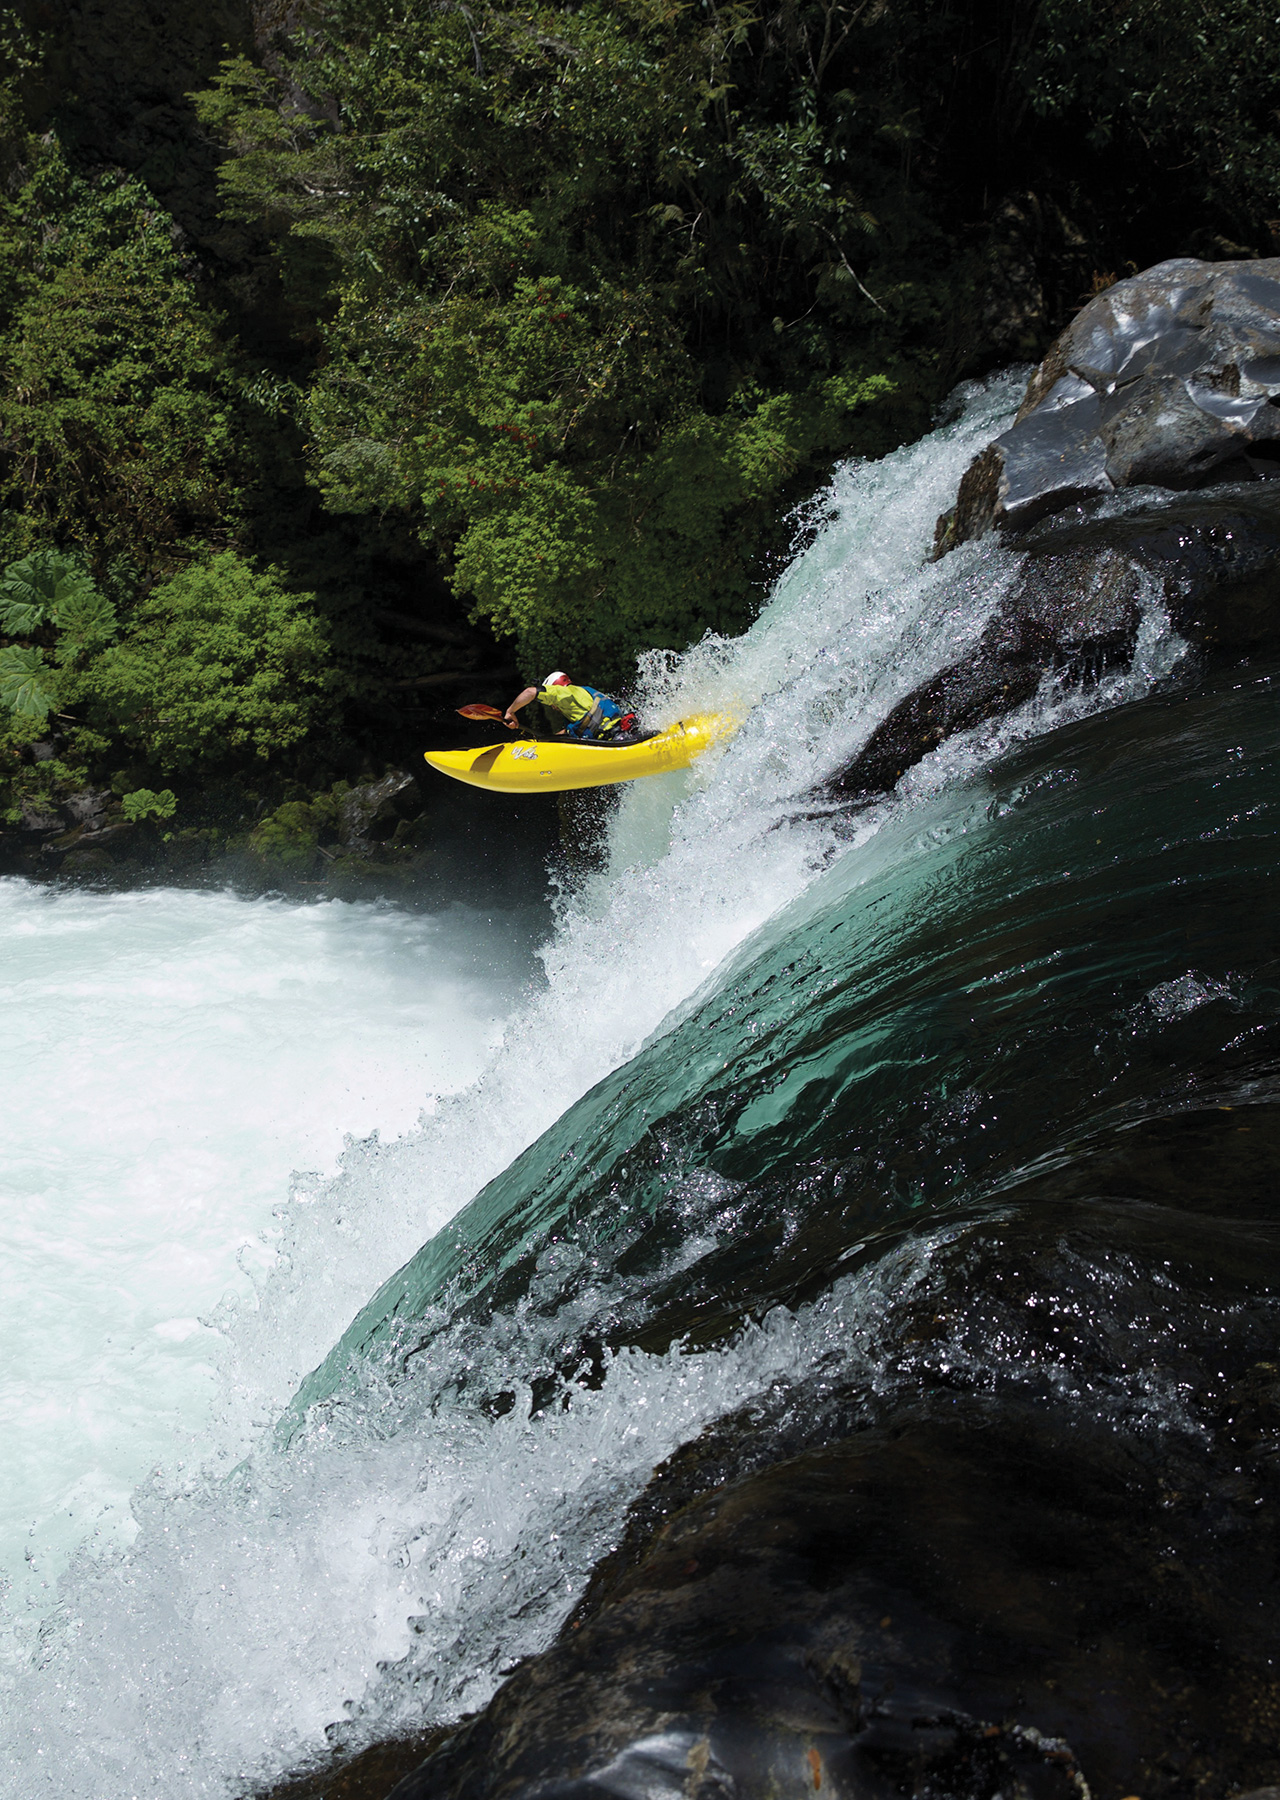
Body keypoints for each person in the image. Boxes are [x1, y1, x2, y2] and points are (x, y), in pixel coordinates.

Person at [504, 672, 637, 741]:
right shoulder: (582, 692)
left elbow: (530, 692)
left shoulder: (564, 694)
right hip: (622, 734)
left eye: (552, 704)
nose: (553, 707)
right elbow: (576, 729)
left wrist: (510, 712)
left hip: (615, 739)